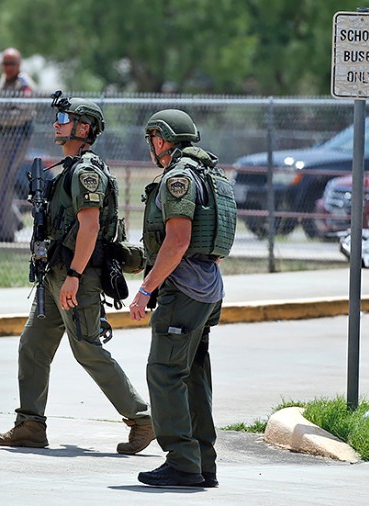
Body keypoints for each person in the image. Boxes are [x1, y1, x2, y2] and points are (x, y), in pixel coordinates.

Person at [0, 94, 155, 454]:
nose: (56, 122)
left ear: (83, 128)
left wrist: (76, 275)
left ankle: (142, 419)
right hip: (56, 273)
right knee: (33, 345)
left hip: (75, 275)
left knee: (87, 350)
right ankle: (31, 423)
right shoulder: (70, 167)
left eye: (64, 117)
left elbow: (90, 226)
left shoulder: (85, 172)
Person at [130, 109, 236, 487]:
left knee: (164, 372)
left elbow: (177, 240)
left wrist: (145, 290)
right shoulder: (211, 175)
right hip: (209, 287)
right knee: (193, 376)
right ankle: (203, 464)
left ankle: (181, 462)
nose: (151, 147)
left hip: (185, 289)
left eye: (152, 140)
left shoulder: (179, 177)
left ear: (161, 139)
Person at [0, 48, 36, 242]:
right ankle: (13, 218)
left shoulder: (24, 83)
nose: (8, 67)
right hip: (1, 135)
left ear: (19, 65)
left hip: (16, 135)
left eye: (12, 63)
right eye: (5, 63)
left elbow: (23, 113)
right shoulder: (3, 80)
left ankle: (5, 234)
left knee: (2, 183)